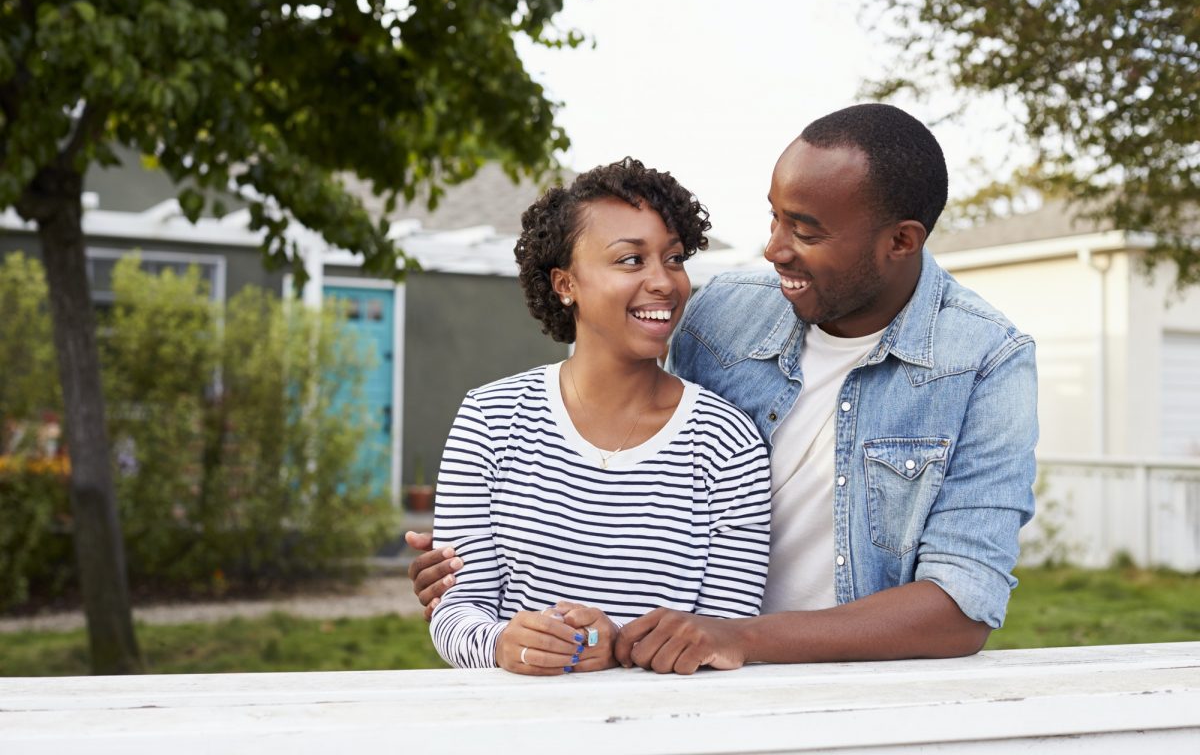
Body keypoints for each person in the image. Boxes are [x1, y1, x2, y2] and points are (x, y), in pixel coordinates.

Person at [408, 104, 1038, 674]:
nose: (773, 250)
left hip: (848, 680)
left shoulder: (985, 360)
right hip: (691, 670)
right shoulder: (725, 314)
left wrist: (735, 636)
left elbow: (962, 605)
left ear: (901, 241)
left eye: (806, 231)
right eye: (774, 217)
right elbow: (618, 414)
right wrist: (466, 599)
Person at [427, 157, 772, 675]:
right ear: (566, 283)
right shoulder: (490, 419)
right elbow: (454, 612)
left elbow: (724, 632)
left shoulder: (727, 442)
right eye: (631, 260)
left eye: (674, 258)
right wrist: (503, 643)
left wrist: (616, 648)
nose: (665, 282)